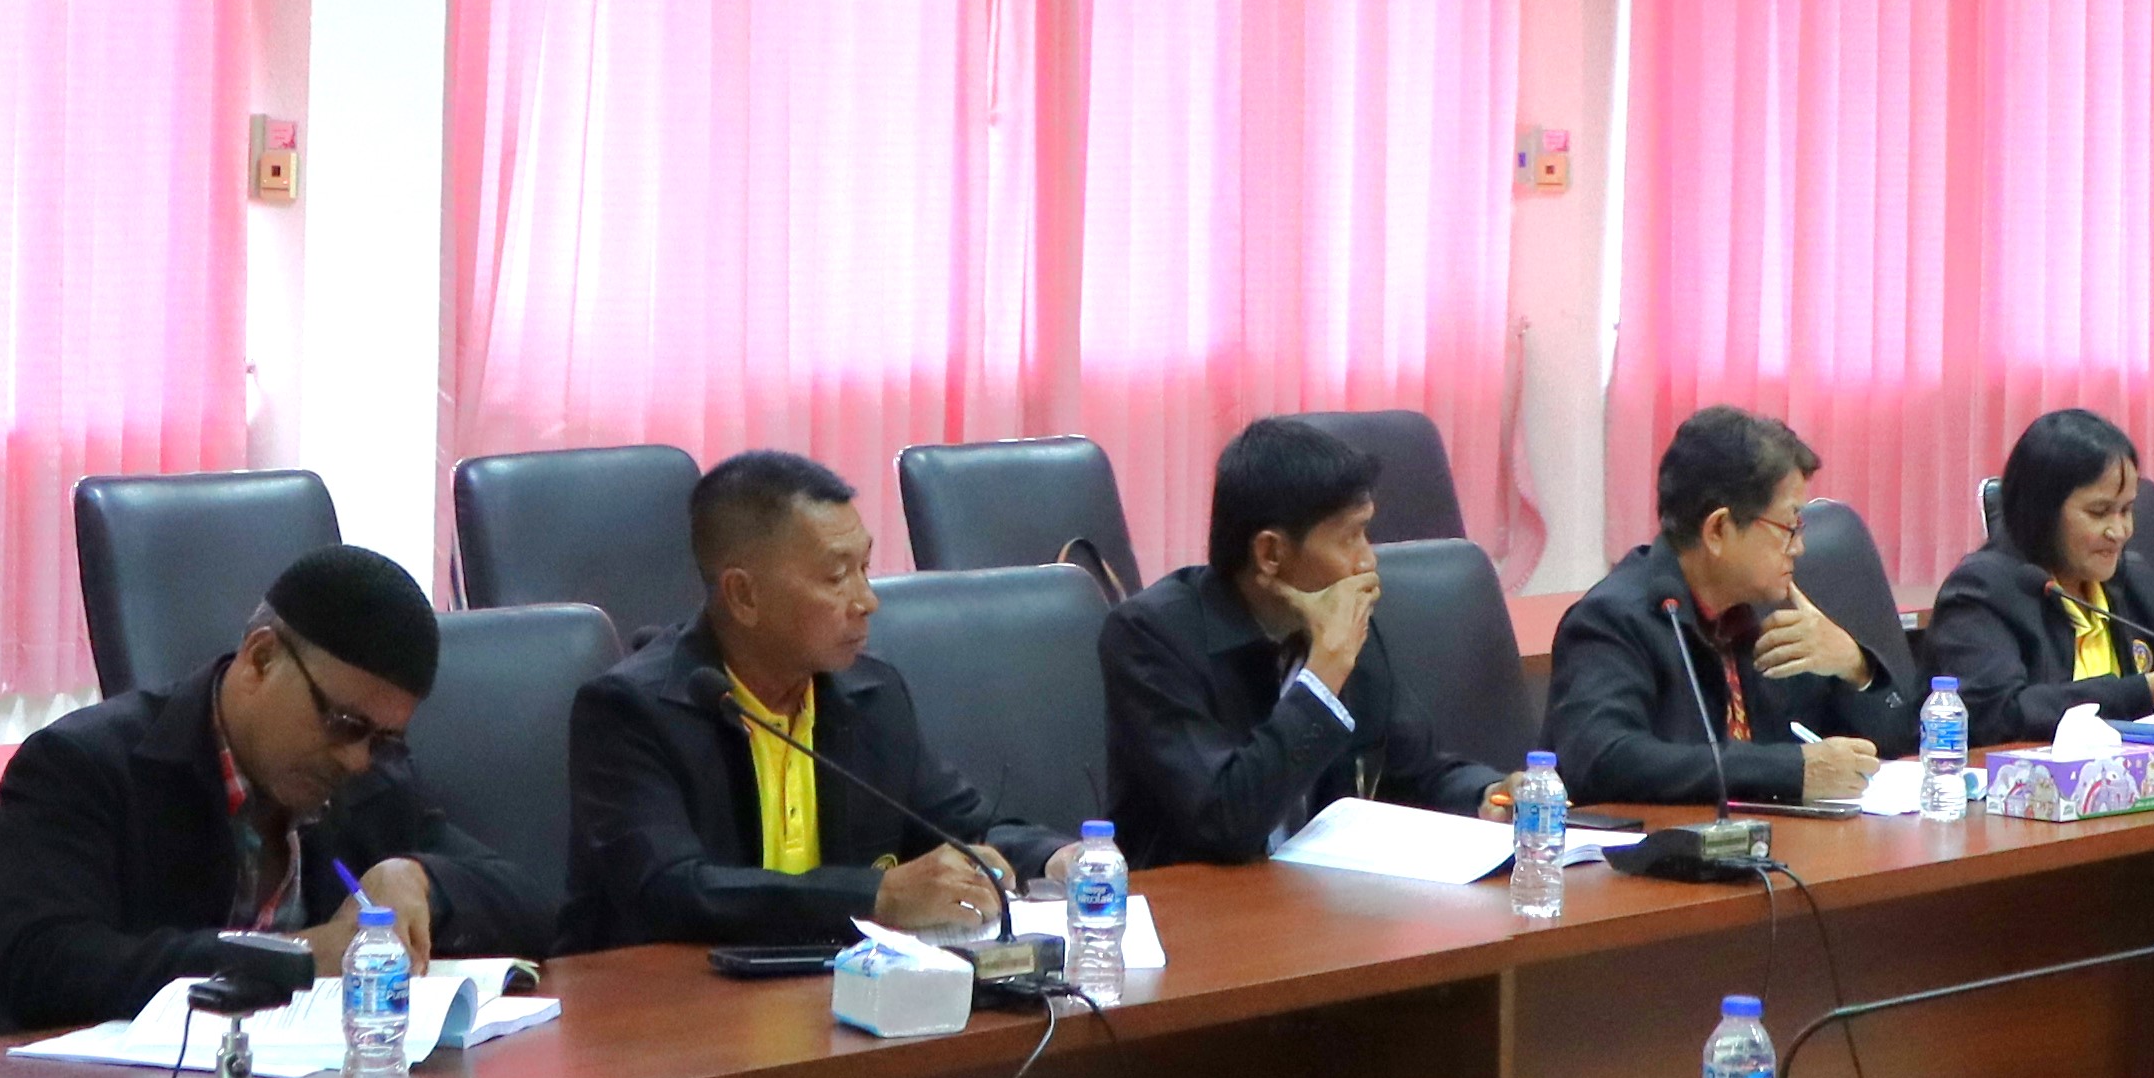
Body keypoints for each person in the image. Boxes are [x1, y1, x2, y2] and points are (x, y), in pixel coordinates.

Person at [0, 545, 553, 1030]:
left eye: (383, 739)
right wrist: (293, 958)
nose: (357, 758)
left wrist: (419, 879)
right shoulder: (83, 765)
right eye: (343, 724)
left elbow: (534, 906)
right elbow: (43, 965)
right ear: (260, 660)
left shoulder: (373, 780)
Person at [563, 450, 1057, 948]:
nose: (867, 601)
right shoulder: (631, 710)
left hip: (830, 983)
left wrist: (1055, 857)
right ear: (744, 596)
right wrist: (874, 896)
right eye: (836, 576)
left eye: (864, 568)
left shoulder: (870, 694)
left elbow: (961, 825)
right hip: (664, 989)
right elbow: (669, 892)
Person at [1097, 416, 1508, 866]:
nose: (1367, 561)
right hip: (1193, 899)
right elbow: (1224, 819)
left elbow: (1413, 772)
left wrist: (1487, 793)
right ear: (1270, 553)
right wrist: (1324, 673)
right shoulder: (1149, 637)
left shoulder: (1341, 627)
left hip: (1318, 894)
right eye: (1349, 538)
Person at [1541, 406, 1917, 808]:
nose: (1799, 548)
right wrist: (1790, 771)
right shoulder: (1613, 621)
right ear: (1718, 530)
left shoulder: (1772, 613)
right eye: (1788, 527)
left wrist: (1856, 668)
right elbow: (1602, 761)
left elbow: (1896, 744)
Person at [1924, 408, 2154, 741]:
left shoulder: (2126, 578)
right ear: (2043, 512)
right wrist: (2151, 691)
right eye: (2099, 512)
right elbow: (1996, 714)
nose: (2120, 531)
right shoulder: (1982, 590)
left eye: (2126, 510)